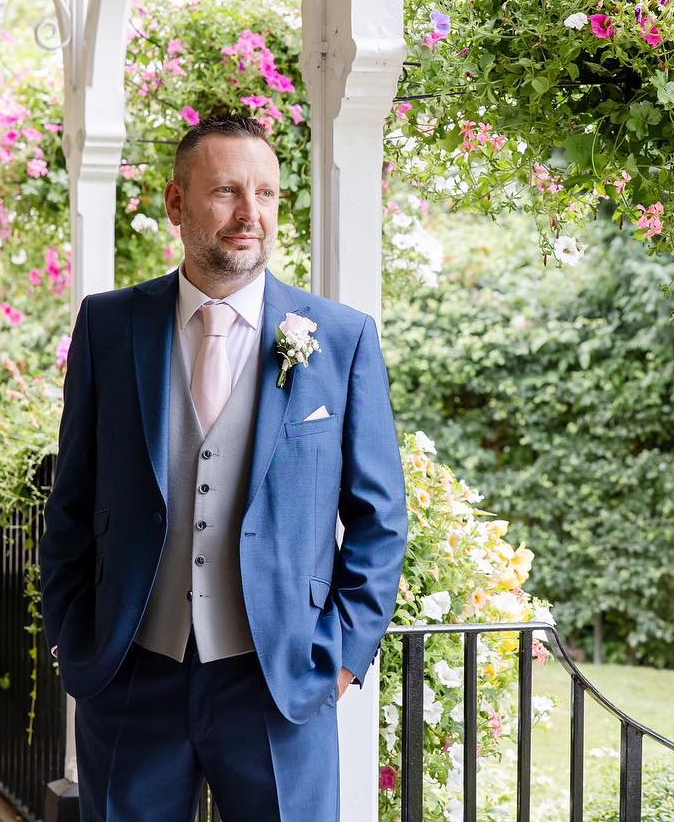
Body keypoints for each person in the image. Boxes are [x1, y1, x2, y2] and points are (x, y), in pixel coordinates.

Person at [37, 114, 408, 822]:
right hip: (131, 673)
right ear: (177, 204)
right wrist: (73, 631)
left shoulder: (340, 337)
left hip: (279, 680)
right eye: (228, 192)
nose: (251, 215)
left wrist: (341, 657)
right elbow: (73, 501)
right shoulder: (110, 327)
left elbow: (379, 519)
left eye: (266, 194)